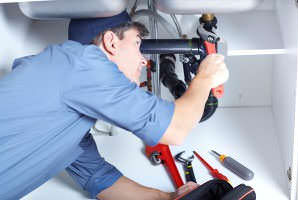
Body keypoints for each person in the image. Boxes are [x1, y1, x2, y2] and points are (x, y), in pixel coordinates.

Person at [0, 10, 228, 200]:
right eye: (137, 44)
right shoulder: (79, 62)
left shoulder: (66, 109)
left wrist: (169, 197)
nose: (144, 59)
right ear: (110, 42)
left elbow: (99, 179)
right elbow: (175, 129)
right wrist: (205, 76)